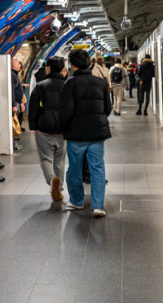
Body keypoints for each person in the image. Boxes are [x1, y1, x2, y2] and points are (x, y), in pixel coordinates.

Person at [59, 49, 112, 217]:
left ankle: (77, 201)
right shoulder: (101, 83)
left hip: (76, 135)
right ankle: (98, 206)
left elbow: (66, 112)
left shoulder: (70, 84)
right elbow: (107, 108)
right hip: (97, 134)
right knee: (97, 168)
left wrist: (65, 127)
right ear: (89, 63)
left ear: (72, 65)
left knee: (74, 169)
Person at [28, 56, 67, 202]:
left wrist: (34, 126)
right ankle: (60, 188)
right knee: (60, 161)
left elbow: (33, 107)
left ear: (49, 68)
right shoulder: (67, 84)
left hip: (44, 127)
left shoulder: (41, 85)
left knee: (46, 159)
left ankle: (52, 182)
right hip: (62, 129)